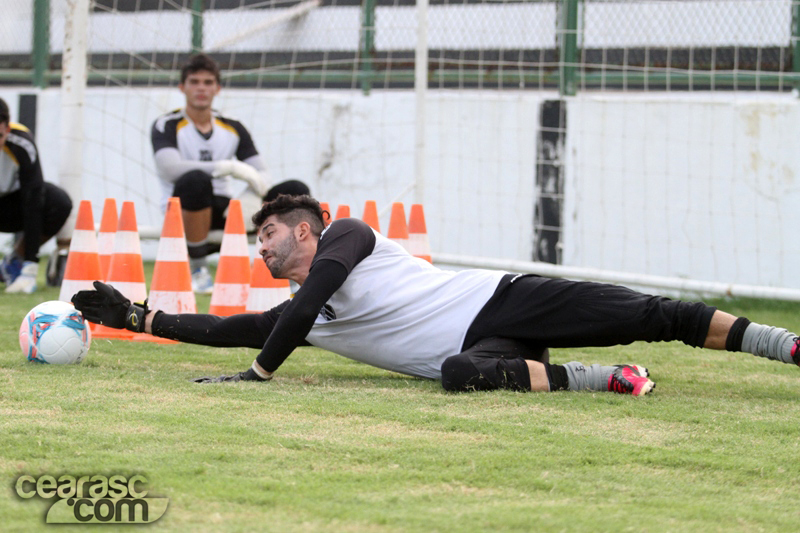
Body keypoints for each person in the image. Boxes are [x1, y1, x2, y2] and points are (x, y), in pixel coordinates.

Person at [72, 195, 800, 395]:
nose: (257, 245)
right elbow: (228, 326)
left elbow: (291, 315)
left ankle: (786, 344)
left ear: (304, 228)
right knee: (459, 376)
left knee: (652, 314)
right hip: (483, 347)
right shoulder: (305, 316)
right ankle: (611, 381)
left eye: (265, 233)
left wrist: (262, 371)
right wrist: (143, 316)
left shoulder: (347, 236)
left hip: (506, 300)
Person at [151, 53, 309, 293]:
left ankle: (293, 271)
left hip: (227, 211)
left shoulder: (232, 126)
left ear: (218, 88)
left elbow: (261, 174)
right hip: (185, 212)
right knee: (196, 180)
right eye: (194, 82)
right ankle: (198, 270)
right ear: (182, 87)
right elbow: (169, 168)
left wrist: (249, 199)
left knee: (295, 190)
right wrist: (228, 167)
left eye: (207, 82)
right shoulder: (167, 124)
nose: (201, 88)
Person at [0, 98, 72, 294]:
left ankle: (15, 262)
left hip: (11, 206)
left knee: (58, 202)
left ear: (7, 129)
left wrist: (30, 267)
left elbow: (33, 201)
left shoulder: (22, 143)